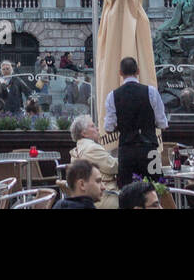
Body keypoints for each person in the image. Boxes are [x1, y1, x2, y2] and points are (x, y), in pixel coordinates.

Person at [103, 56, 168, 188]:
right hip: (149, 148)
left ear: (120, 73)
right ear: (138, 71)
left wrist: (121, 126)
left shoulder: (112, 96)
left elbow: (108, 127)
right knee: (156, 187)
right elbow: (162, 124)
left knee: (126, 191)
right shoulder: (151, 92)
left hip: (126, 150)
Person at [69, 114, 118, 205]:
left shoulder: (78, 147)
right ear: (84, 133)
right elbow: (113, 166)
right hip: (106, 196)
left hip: (89, 196)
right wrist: (128, 159)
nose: (97, 129)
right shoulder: (91, 148)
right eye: (92, 126)